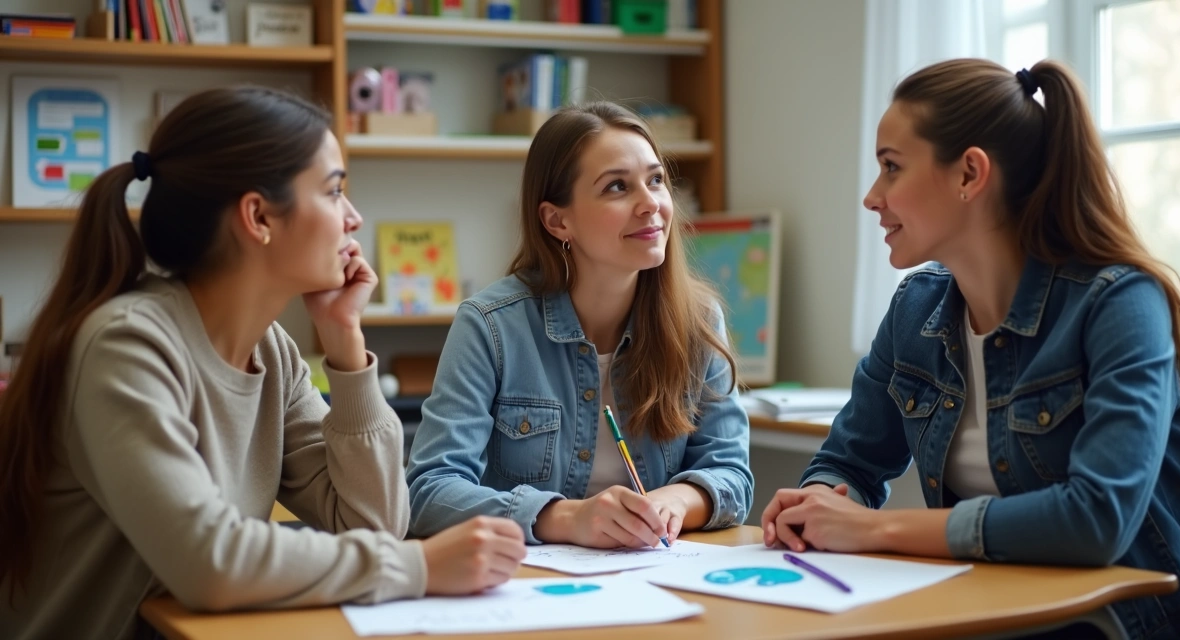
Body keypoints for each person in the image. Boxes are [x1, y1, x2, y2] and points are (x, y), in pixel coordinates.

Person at [0, 86, 525, 640]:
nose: (353, 216)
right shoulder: (126, 346)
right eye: (333, 191)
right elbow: (210, 562)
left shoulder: (271, 351)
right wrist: (420, 569)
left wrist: (345, 341)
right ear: (258, 217)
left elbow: (374, 524)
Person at [760, 58, 1180, 639]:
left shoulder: (1120, 303)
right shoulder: (915, 309)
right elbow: (849, 461)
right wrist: (816, 505)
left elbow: (1097, 518)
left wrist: (874, 530)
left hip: (1135, 625)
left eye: (892, 168)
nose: (872, 197)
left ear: (970, 175)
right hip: (993, 616)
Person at [406, 101, 754, 549]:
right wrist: (566, 517)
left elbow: (731, 474)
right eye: (616, 187)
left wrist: (675, 502)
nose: (651, 205)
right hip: (523, 588)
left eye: (656, 180)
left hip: (650, 577)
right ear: (557, 220)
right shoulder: (490, 327)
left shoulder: (699, 321)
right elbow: (429, 491)